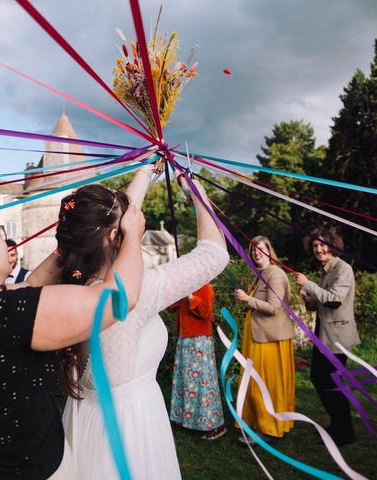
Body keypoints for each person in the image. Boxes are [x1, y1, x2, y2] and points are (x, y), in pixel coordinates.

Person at [0, 205, 145, 480]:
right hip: (27, 470)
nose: (2, 238)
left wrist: (66, 245)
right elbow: (117, 299)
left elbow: (30, 284)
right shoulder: (0, 313)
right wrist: (133, 234)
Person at [58, 166, 229, 480]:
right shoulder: (135, 294)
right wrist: (197, 194)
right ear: (116, 234)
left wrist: (146, 172)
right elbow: (214, 254)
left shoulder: (65, 282)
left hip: (84, 421)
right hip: (129, 429)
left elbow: (114, 226)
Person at [294, 227, 359, 447]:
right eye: (315, 246)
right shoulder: (327, 270)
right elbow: (323, 303)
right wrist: (309, 300)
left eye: (322, 244)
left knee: (332, 383)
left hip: (338, 336)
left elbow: (335, 300)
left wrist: (309, 284)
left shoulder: (343, 268)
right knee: (318, 378)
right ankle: (338, 425)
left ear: (332, 244)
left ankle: (345, 432)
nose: (319, 249)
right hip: (323, 333)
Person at [233, 236, 295, 444]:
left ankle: (266, 427)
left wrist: (247, 299)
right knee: (257, 381)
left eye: (260, 249)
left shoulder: (275, 274)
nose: (256, 253)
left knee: (264, 383)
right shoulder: (261, 274)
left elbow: (273, 307)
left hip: (269, 339)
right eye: (253, 250)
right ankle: (261, 422)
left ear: (269, 250)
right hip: (259, 337)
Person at [169, 283, 226, 440]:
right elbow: (172, 307)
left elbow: (207, 312)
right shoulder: (188, 286)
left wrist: (191, 297)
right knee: (187, 381)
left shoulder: (205, 288)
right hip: (186, 340)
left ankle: (215, 424)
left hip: (199, 340)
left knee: (203, 382)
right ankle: (189, 419)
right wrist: (176, 295)